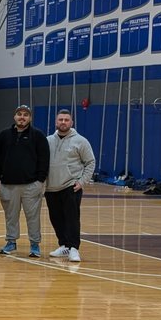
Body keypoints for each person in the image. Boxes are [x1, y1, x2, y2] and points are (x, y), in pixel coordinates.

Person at [0, 104, 49, 258]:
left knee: (33, 217)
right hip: (8, 185)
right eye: (19, 114)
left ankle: (35, 245)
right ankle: (11, 242)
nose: (22, 117)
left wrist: (40, 181)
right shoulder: (4, 135)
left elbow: (44, 160)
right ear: (14, 116)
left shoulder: (38, 136)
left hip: (31, 185)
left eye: (25, 115)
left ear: (30, 118)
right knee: (11, 217)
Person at [46, 109, 96, 263]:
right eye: (60, 119)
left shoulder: (80, 141)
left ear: (71, 122)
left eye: (66, 120)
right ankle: (64, 245)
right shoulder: (48, 140)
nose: (63, 122)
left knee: (72, 219)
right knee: (56, 218)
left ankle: (74, 248)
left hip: (70, 186)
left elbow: (90, 162)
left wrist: (82, 182)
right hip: (51, 187)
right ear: (56, 122)